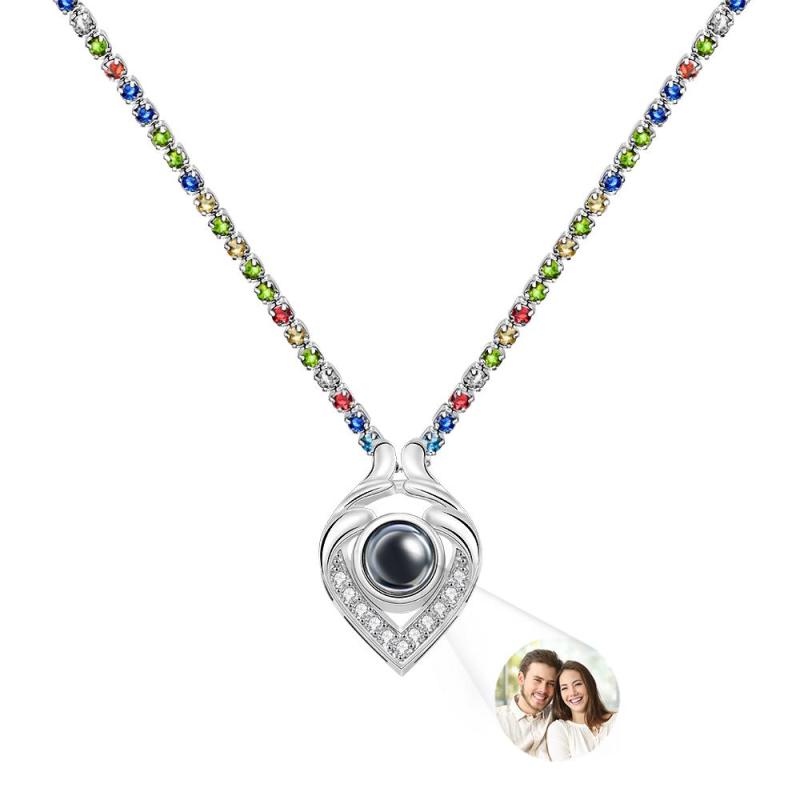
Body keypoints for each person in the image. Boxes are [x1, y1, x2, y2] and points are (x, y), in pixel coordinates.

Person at [495, 649, 562, 757]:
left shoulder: (558, 715)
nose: (543, 690)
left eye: (551, 684)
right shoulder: (497, 720)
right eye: (537, 680)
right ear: (521, 679)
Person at [544, 660, 616, 761]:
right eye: (564, 688)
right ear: (560, 695)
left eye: (577, 684)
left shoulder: (615, 720)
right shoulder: (559, 730)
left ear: (589, 685)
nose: (572, 693)